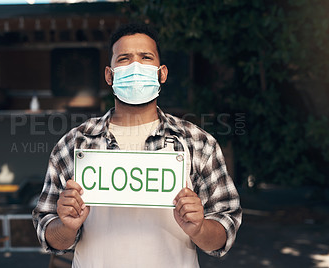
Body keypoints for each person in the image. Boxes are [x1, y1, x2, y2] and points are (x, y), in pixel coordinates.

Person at [33, 23, 242, 267]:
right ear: (109, 75)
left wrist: (199, 228)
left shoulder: (198, 143)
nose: (136, 66)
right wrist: (66, 225)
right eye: (124, 58)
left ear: (161, 73)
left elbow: (222, 236)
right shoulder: (73, 144)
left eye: (146, 57)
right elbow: (50, 235)